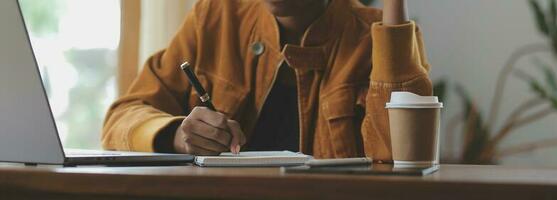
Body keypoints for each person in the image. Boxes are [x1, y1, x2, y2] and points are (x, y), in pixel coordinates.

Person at [102, 0, 432, 162]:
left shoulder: (382, 38)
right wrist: (175, 135)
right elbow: (124, 117)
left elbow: (404, 161)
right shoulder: (217, 17)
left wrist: (393, 22)